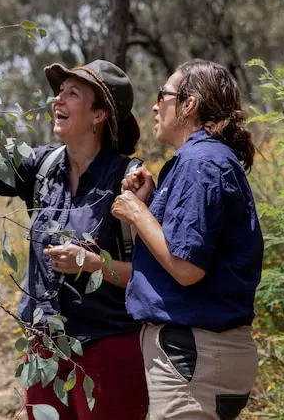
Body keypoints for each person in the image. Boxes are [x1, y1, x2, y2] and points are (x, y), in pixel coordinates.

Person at [0, 60, 148, 420]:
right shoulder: (40, 167)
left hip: (111, 351)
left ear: (100, 114)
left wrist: (90, 263)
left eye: (73, 94)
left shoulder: (131, 180)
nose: (58, 100)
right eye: (60, 91)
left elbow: (149, 276)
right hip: (45, 349)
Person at [112, 59, 263, 420]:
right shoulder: (205, 160)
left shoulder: (200, 162)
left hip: (192, 359)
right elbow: (164, 261)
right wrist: (146, 205)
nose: (154, 105)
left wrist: (136, 212)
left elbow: (185, 268)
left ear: (189, 104)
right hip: (198, 357)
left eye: (163, 95)